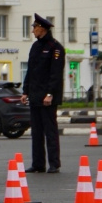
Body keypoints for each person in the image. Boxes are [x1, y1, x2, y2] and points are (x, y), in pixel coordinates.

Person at [20, 14, 65, 174]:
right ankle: (38, 164)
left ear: (42, 28)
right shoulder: (35, 47)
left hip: (47, 97)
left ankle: (54, 164)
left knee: (50, 131)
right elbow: (30, 71)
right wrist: (25, 91)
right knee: (36, 132)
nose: (32, 31)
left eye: (34, 27)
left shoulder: (55, 48)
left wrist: (50, 94)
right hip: (35, 96)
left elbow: (55, 74)